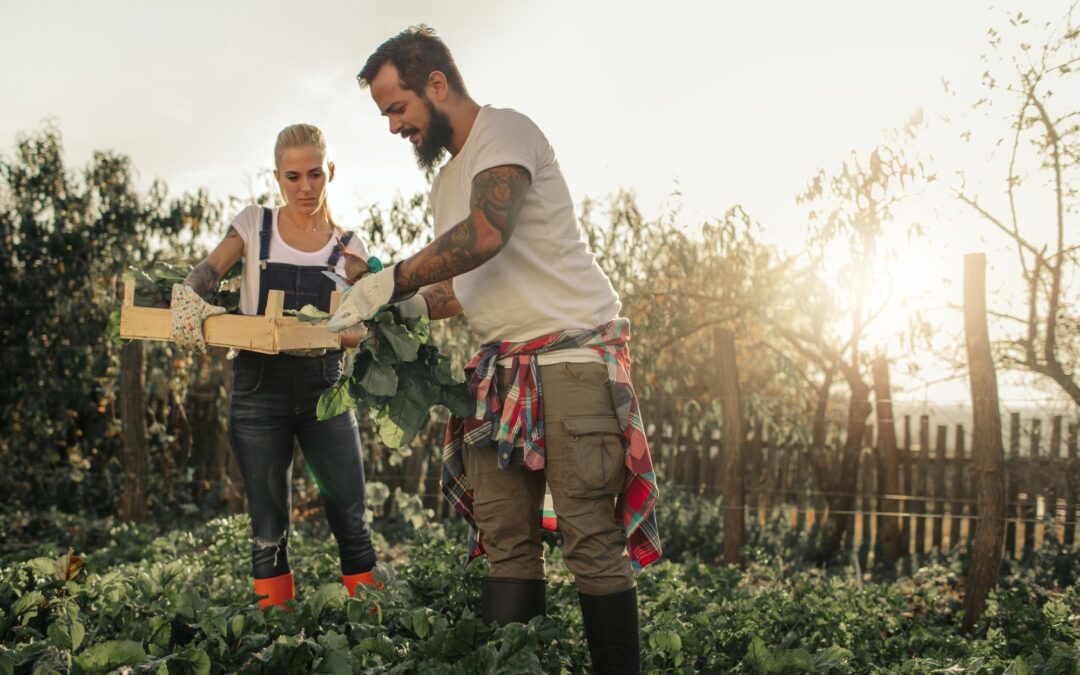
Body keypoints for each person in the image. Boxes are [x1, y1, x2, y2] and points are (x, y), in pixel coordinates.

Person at [331, 26, 661, 673]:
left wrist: (388, 277)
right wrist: (385, 308)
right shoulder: (443, 185)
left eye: (398, 108)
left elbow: (487, 232)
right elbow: (457, 289)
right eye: (385, 115)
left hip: (568, 362)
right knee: (507, 541)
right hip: (497, 375)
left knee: (588, 538)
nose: (395, 126)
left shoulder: (506, 132)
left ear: (436, 83)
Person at [170, 123, 378, 609]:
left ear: (330, 172)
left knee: (351, 515)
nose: (304, 188)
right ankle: (278, 634)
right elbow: (210, 269)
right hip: (258, 387)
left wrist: (340, 332)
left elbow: (365, 326)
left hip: (325, 388)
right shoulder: (254, 225)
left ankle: (374, 628)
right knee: (268, 526)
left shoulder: (349, 249)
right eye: (292, 177)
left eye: (313, 175)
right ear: (278, 178)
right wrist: (187, 293)